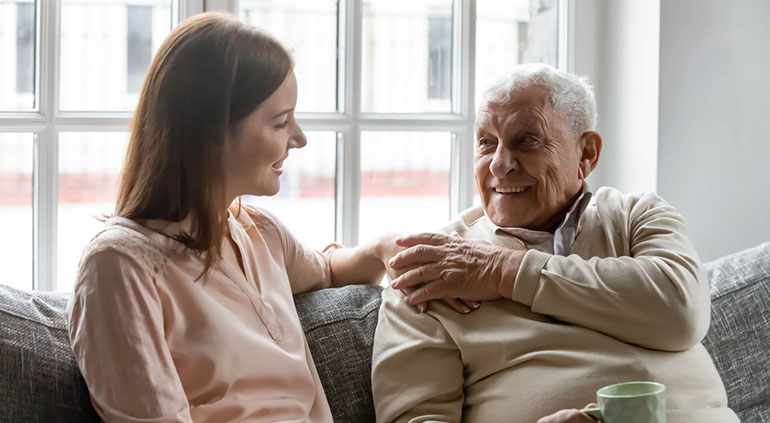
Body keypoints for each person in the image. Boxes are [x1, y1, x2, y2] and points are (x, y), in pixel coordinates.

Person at [68, 12, 394, 422]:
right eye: (281, 122)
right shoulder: (120, 265)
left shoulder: (260, 233)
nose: (300, 138)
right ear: (212, 131)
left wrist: (385, 248)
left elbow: (326, 270)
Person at [371, 64, 739, 423]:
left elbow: (680, 312)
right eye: (486, 143)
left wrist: (503, 271)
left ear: (586, 154)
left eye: (526, 140)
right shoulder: (434, 268)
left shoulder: (637, 215)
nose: (499, 165)